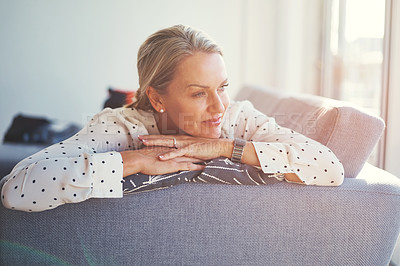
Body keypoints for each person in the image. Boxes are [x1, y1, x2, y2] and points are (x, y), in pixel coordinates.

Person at [0, 25, 344, 212]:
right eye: (198, 93)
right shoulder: (120, 126)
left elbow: (330, 168)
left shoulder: (238, 117)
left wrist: (224, 148)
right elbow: (16, 190)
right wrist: (134, 160)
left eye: (222, 87)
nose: (218, 106)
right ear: (156, 97)